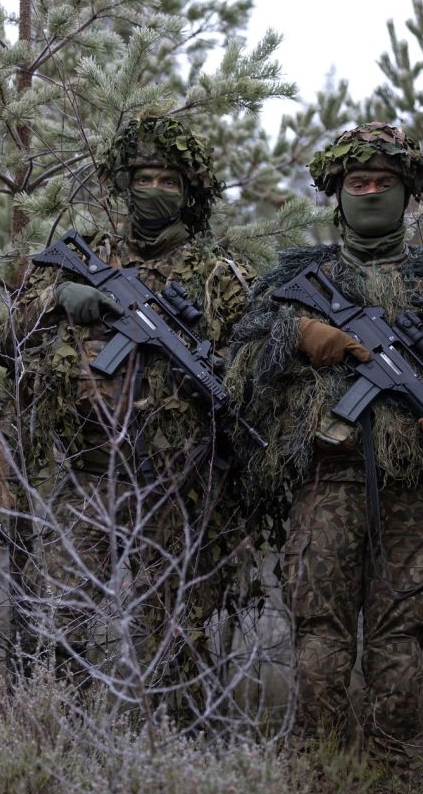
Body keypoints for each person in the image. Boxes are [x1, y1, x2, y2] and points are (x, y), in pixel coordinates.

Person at [225, 123, 423, 759]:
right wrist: (304, 336)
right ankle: (318, 771)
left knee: (401, 637)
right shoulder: (302, 280)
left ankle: (394, 781)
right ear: (336, 195)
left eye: (383, 183)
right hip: (326, 482)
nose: (368, 192)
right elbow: (241, 365)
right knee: (319, 633)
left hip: (414, 492)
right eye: (356, 182)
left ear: (408, 193)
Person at [13, 115, 252, 706]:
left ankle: (173, 749)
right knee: (65, 619)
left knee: (173, 630)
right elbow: (8, 334)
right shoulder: (87, 254)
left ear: (188, 191)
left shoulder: (216, 276)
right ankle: (56, 740)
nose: (154, 190)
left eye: (168, 180)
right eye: (143, 177)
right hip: (87, 472)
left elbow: (249, 365)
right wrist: (56, 299)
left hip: (177, 482)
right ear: (124, 183)